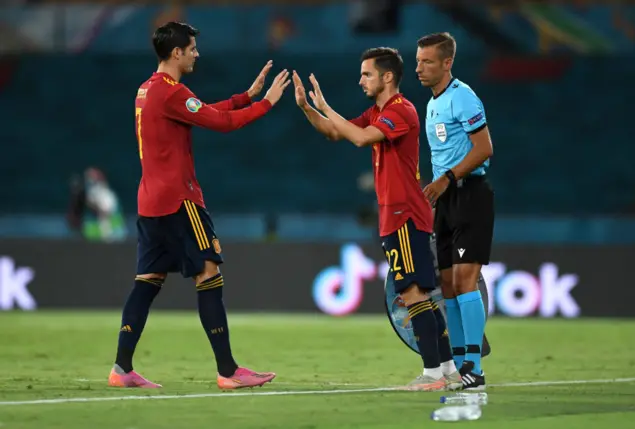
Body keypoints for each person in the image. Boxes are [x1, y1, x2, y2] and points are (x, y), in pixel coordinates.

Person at [108, 22, 290, 390]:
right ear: (176, 53)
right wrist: (267, 102)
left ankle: (121, 368)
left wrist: (245, 96)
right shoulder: (172, 91)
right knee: (208, 274)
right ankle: (228, 370)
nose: (196, 54)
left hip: (150, 202)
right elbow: (220, 123)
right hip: (179, 200)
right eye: (192, 49)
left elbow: (201, 111)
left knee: (147, 281)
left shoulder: (148, 89)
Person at [294, 47, 460, 391]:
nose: (360, 80)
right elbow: (335, 132)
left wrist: (325, 105)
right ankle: (448, 371)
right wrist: (307, 108)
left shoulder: (401, 111)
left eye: (366, 73)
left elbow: (359, 138)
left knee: (413, 294)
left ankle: (432, 374)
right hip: (396, 215)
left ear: (387, 77)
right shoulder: (378, 111)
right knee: (422, 295)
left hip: (403, 214)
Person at [417, 32, 494, 390]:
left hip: (470, 196)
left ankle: (474, 369)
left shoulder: (462, 97)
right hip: (446, 200)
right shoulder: (432, 103)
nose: (419, 68)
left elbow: (484, 148)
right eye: (418, 61)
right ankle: (461, 364)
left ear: (447, 63)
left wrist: (446, 178)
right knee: (447, 285)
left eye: (427, 61)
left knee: (464, 281)